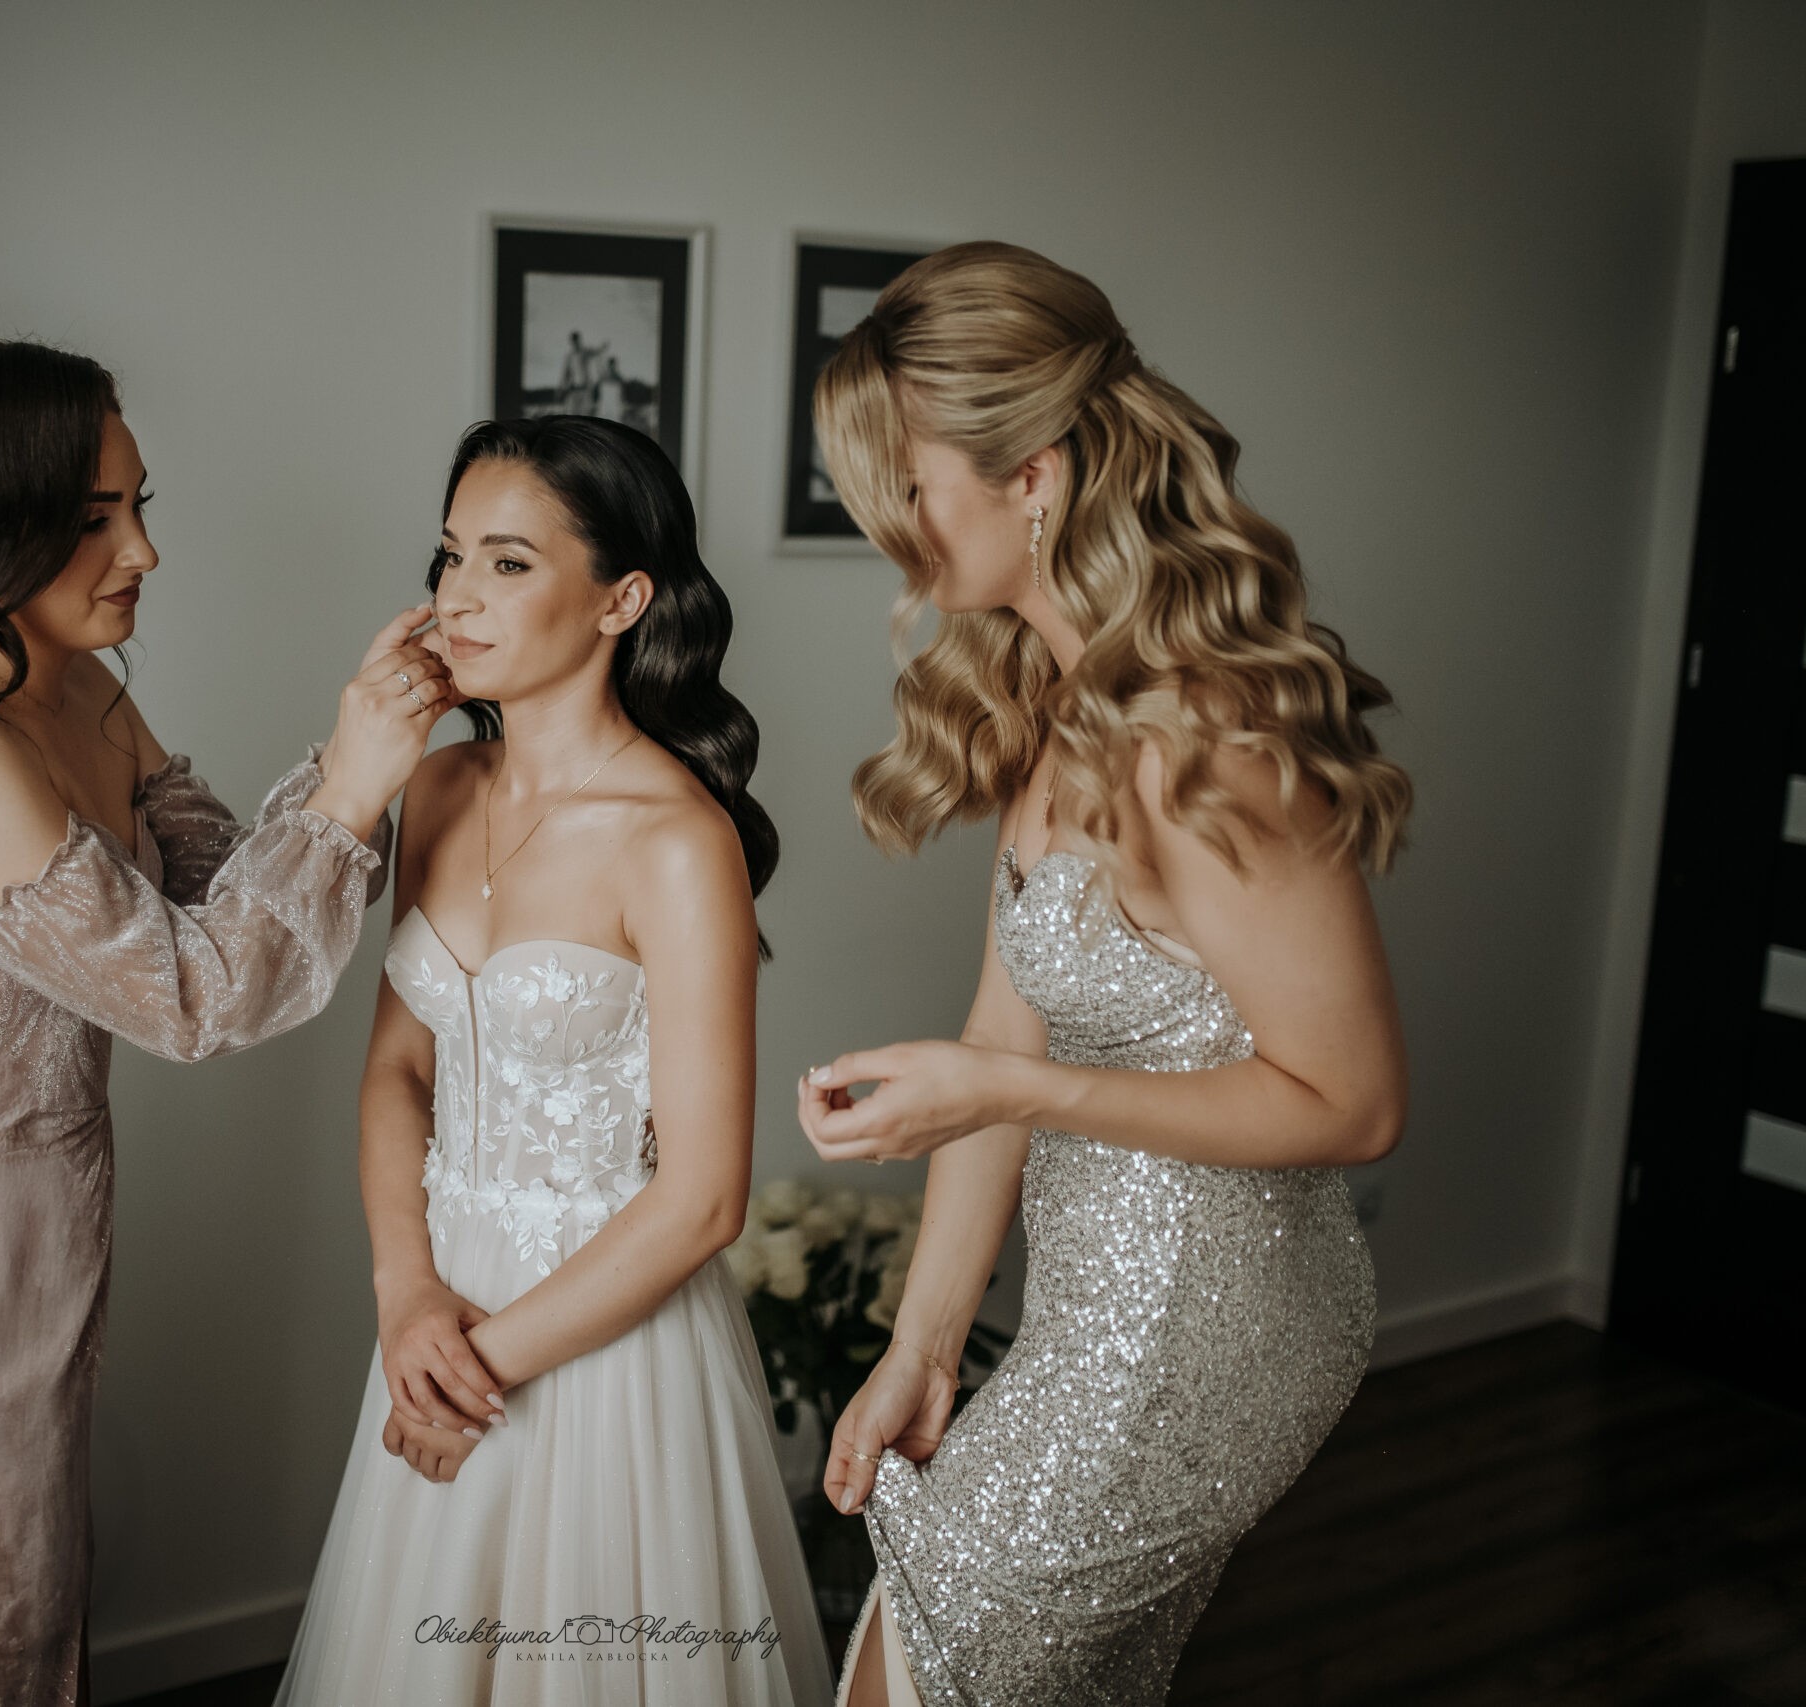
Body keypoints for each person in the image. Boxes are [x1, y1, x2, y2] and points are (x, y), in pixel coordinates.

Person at [0, 333, 456, 1704]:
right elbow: (196, 996)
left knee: (33, 1637)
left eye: (138, 504)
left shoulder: (77, 681)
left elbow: (225, 888)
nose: (143, 550)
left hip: (51, 1247)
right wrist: (351, 785)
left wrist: (366, 751)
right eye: (95, 518)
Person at [797, 242, 1412, 1706]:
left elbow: (1356, 1103)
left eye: (908, 485)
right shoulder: (1055, 692)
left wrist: (1012, 1089)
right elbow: (1005, 1022)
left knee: (920, 1666)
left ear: (1036, 476)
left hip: (1211, 1328)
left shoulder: (1208, 738)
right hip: (1098, 1314)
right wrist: (922, 1348)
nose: (888, 530)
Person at [271, 416, 831, 1705]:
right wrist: (407, 1296)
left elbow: (704, 1201)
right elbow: (398, 1075)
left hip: (599, 1339)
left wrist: (476, 1371)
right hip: (437, 1309)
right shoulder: (439, 787)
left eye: (509, 563)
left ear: (622, 601)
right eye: (450, 554)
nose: (457, 596)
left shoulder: (676, 843)